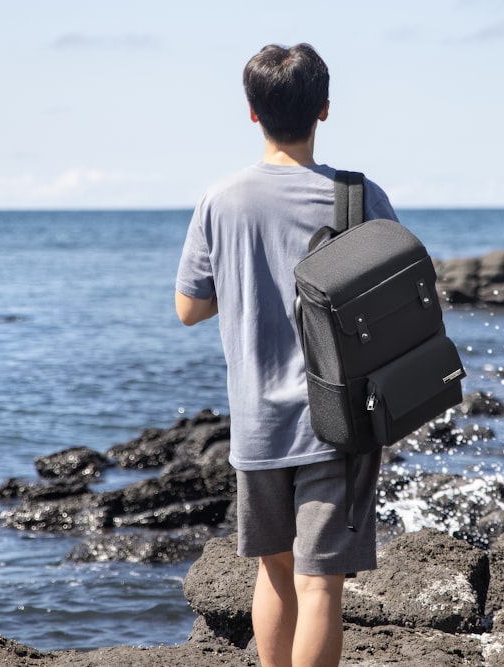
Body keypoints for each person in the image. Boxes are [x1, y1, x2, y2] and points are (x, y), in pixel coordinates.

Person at [174, 43, 398, 667]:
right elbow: (400, 299)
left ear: (251, 113)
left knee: (274, 574)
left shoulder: (220, 200)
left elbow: (189, 308)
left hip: (256, 424)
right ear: (324, 110)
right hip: (338, 420)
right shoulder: (358, 197)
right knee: (320, 581)